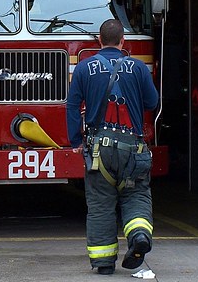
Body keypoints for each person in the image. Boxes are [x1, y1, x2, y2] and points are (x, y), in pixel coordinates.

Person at [66, 19, 159, 276]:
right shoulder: (138, 67)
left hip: (99, 152)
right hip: (133, 149)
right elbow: (152, 102)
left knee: (100, 205)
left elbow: (72, 106)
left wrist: (75, 141)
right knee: (135, 196)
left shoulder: (84, 68)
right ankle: (139, 235)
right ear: (123, 41)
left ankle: (104, 263)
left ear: (98, 40)